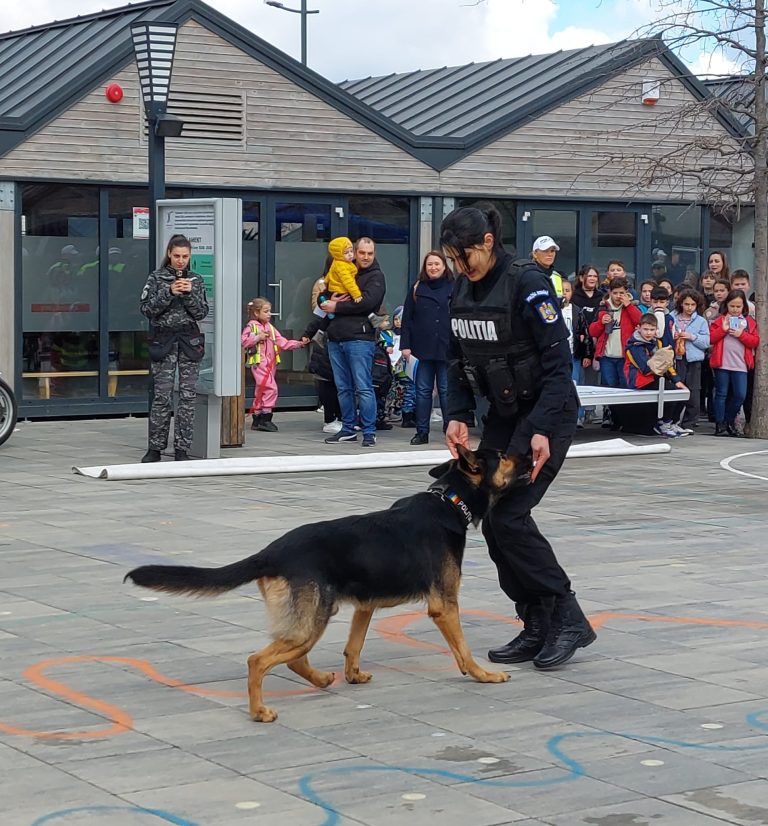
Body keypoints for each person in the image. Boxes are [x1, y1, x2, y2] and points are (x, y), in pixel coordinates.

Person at [440, 204, 595, 671]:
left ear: (487, 242)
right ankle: (536, 623)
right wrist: (458, 414)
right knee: (492, 518)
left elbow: (556, 367)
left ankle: (566, 616)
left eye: (463, 255)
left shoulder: (528, 283)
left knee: (509, 516)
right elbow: (455, 360)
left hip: (549, 413)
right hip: (506, 414)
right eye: (451, 258)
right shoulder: (462, 289)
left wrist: (542, 430)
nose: (458, 267)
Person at [139, 234, 208, 463]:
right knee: (162, 396)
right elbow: (147, 309)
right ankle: (155, 448)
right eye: (177, 256)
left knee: (188, 396)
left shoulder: (196, 280)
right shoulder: (157, 278)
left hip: (189, 341)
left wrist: (188, 295)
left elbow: (201, 313)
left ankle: (182, 449)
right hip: (164, 340)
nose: (180, 261)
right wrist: (169, 292)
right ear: (169, 254)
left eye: (185, 257)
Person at [321, 237, 386, 448]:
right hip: (336, 338)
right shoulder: (341, 268)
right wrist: (326, 303)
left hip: (360, 339)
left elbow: (368, 303)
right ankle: (348, 429)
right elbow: (323, 295)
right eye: (362, 253)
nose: (365, 257)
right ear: (354, 252)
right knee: (343, 388)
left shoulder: (376, 277)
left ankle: (369, 432)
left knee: (363, 387)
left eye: (370, 253)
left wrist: (336, 307)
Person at [400, 251, 453, 445]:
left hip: (447, 348)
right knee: (422, 391)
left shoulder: (453, 288)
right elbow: (407, 319)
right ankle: (422, 432)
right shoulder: (417, 288)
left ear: (444, 266)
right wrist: (405, 346)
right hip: (423, 348)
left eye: (437, 264)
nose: (433, 268)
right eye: (430, 264)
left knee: (447, 391)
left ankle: (450, 431)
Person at [242, 297, 307, 432]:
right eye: (266, 311)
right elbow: (243, 342)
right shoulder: (251, 327)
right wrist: (257, 338)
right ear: (256, 313)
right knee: (271, 388)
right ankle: (266, 417)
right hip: (259, 363)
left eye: (269, 311)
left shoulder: (270, 328)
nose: (269, 314)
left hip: (271, 364)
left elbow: (282, 342)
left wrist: (299, 344)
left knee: (261, 390)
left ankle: (257, 417)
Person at [624, 313, 688, 438]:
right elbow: (645, 368)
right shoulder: (634, 346)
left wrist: (676, 380)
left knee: (681, 390)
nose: (648, 333)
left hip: (655, 377)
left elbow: (667, 363)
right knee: (670, 393)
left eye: (652, 329)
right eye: (646, 329)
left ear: (656, 330)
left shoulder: (657, 343)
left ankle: (673, 422)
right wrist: (662, 359)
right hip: (639, 380)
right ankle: (663, 423)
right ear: (638, 328)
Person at [709, 289, 760, 437]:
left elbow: (755, 341)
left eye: (738, 306)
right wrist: (723, 330)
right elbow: (711, 338)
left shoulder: (749, 322)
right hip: (722, 363)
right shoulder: (719, 320)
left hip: (741, 365)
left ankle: (729, 420)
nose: (735, 309)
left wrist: (741, 334)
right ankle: (720, 424)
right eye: (732, 306)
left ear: (744, 306)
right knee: (721, 393)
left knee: (740, 395)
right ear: (727, 305)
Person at [670, 288, 710, 431]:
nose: (689, 307)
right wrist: (673, 336)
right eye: (686, 304)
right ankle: (672, 420)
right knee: (676, 389)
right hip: (676, 358)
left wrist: (692, 337)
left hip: (693, 360)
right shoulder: (671, 317)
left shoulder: (700, 321)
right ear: (681, 303)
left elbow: (706, 342)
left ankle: (688, 423)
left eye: (692, 305)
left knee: (693, 391)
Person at [560, 280, 593, 428]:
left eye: (567, 290)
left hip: (574, 355)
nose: (564, 293)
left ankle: (577, 416)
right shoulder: (552, 310)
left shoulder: (576, 311)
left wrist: (587, 354)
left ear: (572, 293)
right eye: (561, 290)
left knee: (576, 384)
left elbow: (585, 334)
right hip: (557, 356)